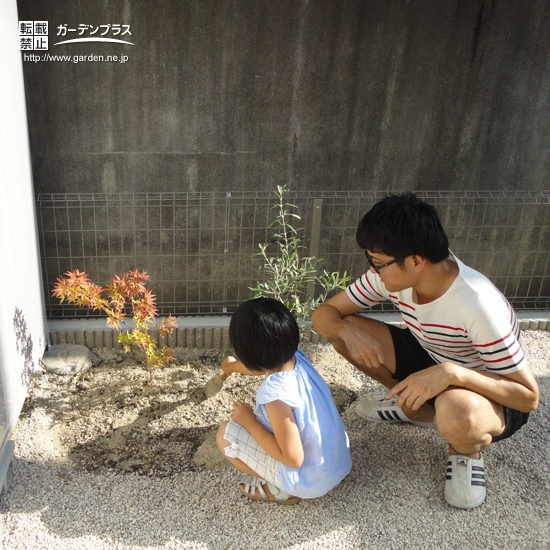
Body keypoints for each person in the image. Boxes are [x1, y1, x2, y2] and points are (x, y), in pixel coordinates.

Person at [311, 192, 539, 509]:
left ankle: (464, 449)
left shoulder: (476, 304)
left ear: (415, 261)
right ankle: (417, 407)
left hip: (491, 390)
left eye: (377, 263)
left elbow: (528, 397)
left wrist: (450, 374)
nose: (372, 271)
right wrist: (346, 329)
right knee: (344, 333)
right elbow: (323, 316)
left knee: (458, 412)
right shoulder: (393, 276)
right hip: (433, 357)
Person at [216, 297, 352, 505]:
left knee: (226, 435)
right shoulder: (295, 356)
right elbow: (262, 365)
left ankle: (280, 489)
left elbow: (293, 458)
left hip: (311, 480)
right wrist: (233, 367)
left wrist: (249, 421)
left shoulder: (275, 396)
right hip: (337, 462)